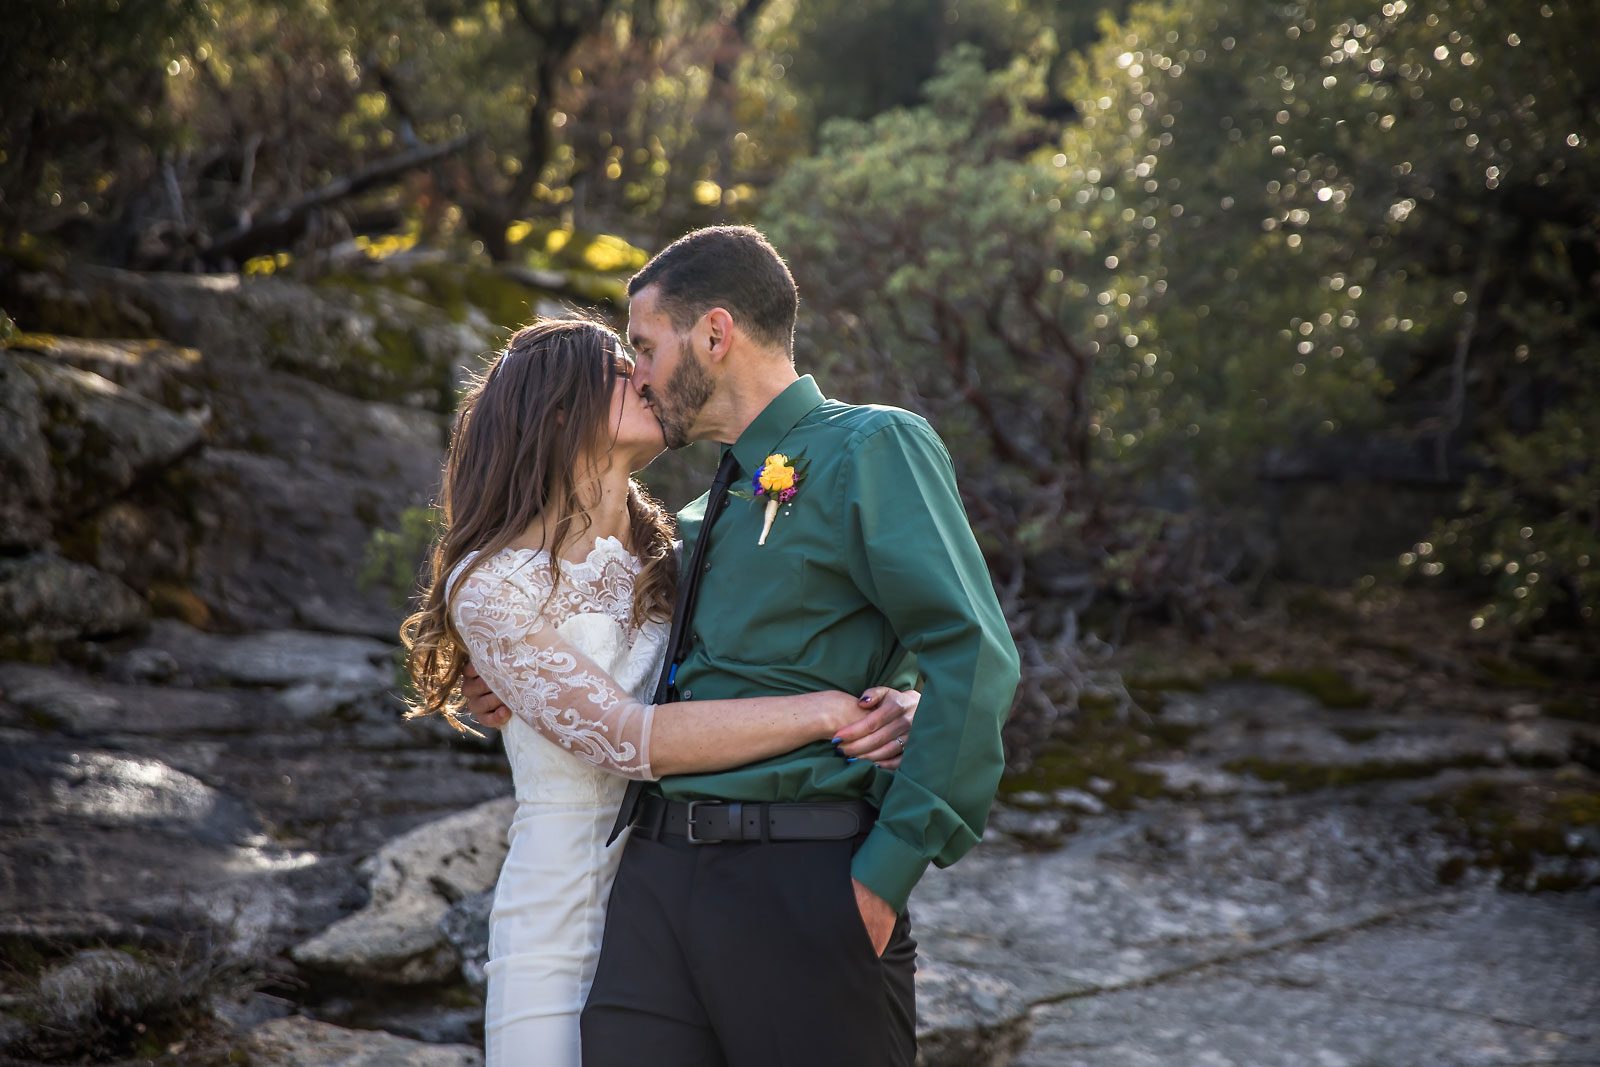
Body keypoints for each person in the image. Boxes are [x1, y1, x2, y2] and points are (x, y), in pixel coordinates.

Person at [463, 226, 1020, 1066]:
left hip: (801, 875)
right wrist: (500, 687)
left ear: (715, 335)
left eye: (644, 348)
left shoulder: (871, 445)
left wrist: (886, 872)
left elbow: (971, 649)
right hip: (651, 883)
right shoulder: (689, 521)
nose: (638, 372)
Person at [401, 317, 919, 1067]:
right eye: (621, 368)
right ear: (556, 411)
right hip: (564, 905)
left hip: (682, 885)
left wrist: (909, 699)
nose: (645, 376)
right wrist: (828, 714)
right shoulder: (492, 583)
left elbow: (807, 644)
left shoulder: (674, 552)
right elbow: (628, 739)